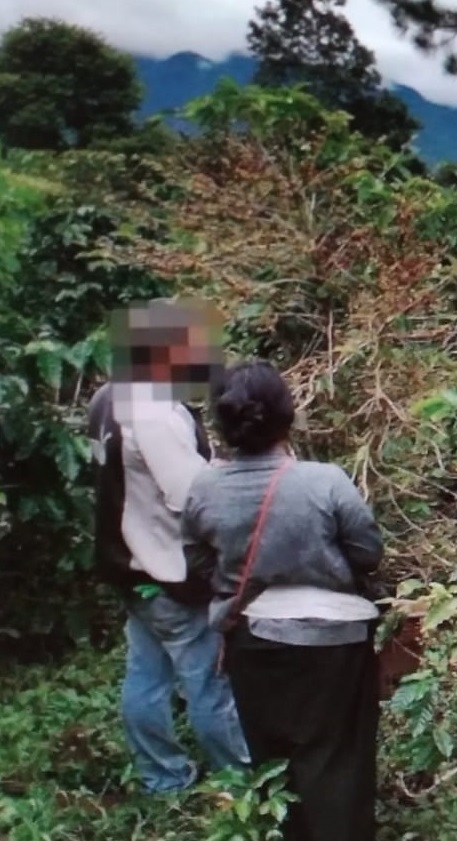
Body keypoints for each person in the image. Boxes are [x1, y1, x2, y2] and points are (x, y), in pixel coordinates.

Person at [182, 361, 384, 841]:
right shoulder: (325, 481)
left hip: (252, 640)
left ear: (225, 424)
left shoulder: (205, 488)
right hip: (334, 644)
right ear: (286, 417)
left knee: (272, 760)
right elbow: (368, 553)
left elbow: (196, 558)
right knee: (337, 757)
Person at [87, 299, 249, 794]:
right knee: (208, 681)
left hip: (128, 563)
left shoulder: (109, 396)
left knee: (147, 675)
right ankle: (241, 782)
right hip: (169, 571)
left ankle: (162, 779)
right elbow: (190, 498)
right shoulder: (154, 412)